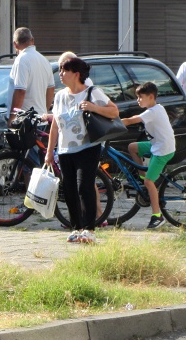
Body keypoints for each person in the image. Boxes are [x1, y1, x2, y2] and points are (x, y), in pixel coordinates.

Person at [45, 56, 119, 244]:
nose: (60, 74)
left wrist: (94, 107)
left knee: (84, 186)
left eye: (64, 71)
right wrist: (49, 152)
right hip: (64, 150)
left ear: (76, 74)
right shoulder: (60, 96)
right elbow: (55, 125)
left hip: (87, 147)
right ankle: (76, 228)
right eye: (60, 70)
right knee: (69, 189)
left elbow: (114, 111)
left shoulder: (92, 92)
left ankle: (89, 229)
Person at [121, 82, 176, 230]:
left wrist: (111, 123)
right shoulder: (155, 108)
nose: (138, 100)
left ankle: (157, 216)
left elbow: (131, 120)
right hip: (156, 145)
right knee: (132, 147)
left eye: (140, 97)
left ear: (151, 97)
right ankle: (143, 177)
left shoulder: (153, 111)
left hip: (163, 150)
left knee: (150, 183)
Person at [8, 27, 54, 126]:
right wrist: (43, 111)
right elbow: (51, 89)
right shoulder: (44, 60)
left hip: (25, 123)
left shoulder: (21, 60)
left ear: (15, 44)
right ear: (32, 40)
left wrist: (12, 117)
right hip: (41, 120)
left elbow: (20, 91)